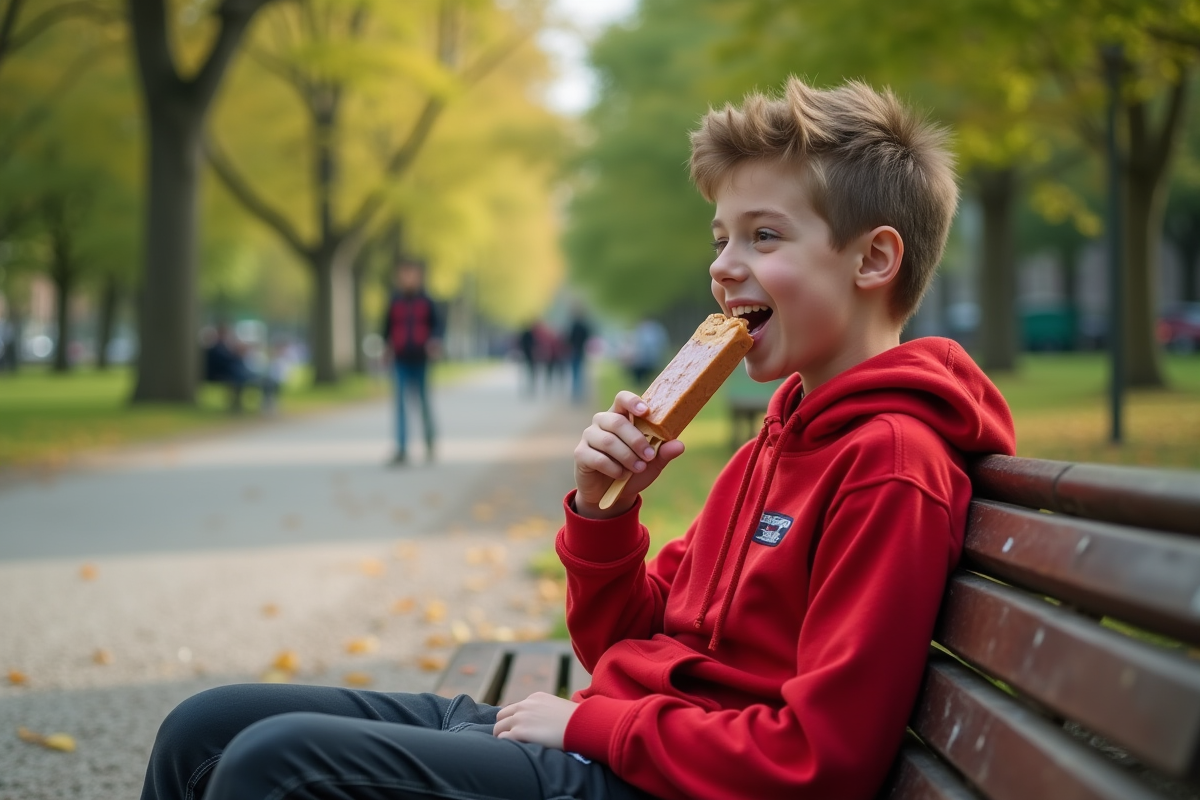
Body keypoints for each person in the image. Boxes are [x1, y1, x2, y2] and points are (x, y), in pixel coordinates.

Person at [139, 77, 1016, 800]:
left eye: (764, 235)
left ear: (873, 261)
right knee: (206, 728)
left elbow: (821, 761)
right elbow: (628, 643)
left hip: (656, 778)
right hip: (618, 738)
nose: (722, 264)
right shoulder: (772, 444)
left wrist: (594, 724)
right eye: (720, 237)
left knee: (272, 768)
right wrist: (606, 515)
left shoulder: (888, 465)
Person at [381, 258, 441, 465]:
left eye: (411, 274)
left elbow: (437, 327)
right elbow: (386, 328)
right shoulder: (394, 301)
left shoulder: (427, 301)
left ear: (419, 276)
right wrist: (386, 349)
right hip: (400, 358)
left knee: (423, 403)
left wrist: (435, 343)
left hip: (421, 359)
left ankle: (430, 441)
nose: (407, 278)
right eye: (403, 274)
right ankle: (401, 448)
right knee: (400, 404)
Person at [626, 316, 668, 387]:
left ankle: (641, 385)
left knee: (638, 373)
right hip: (655, 360)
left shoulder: (642, 332)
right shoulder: (657, 330)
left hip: (645, 362)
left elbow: (639, 348)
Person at [566, 305, 593, 403]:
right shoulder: (583, 326)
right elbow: (587, 336)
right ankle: (578, 393)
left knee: (575, 373)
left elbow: (568, 338)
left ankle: (576, 394)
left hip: (574, 350)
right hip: (580, 350)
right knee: (579, 372)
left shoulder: (573, 325)